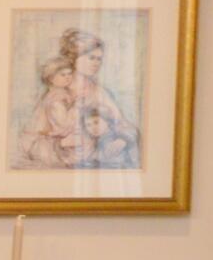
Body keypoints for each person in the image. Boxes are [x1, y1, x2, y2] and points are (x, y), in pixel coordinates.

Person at [14, 27, 140, 170]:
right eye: (91, 57)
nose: (97, 63)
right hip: (59, 168)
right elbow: (28, 143)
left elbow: (123, 124)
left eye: (99, 59)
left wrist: (123, 139)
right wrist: (60, 144)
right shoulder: (55, 94)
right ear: (74, 59)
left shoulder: (98, 91)